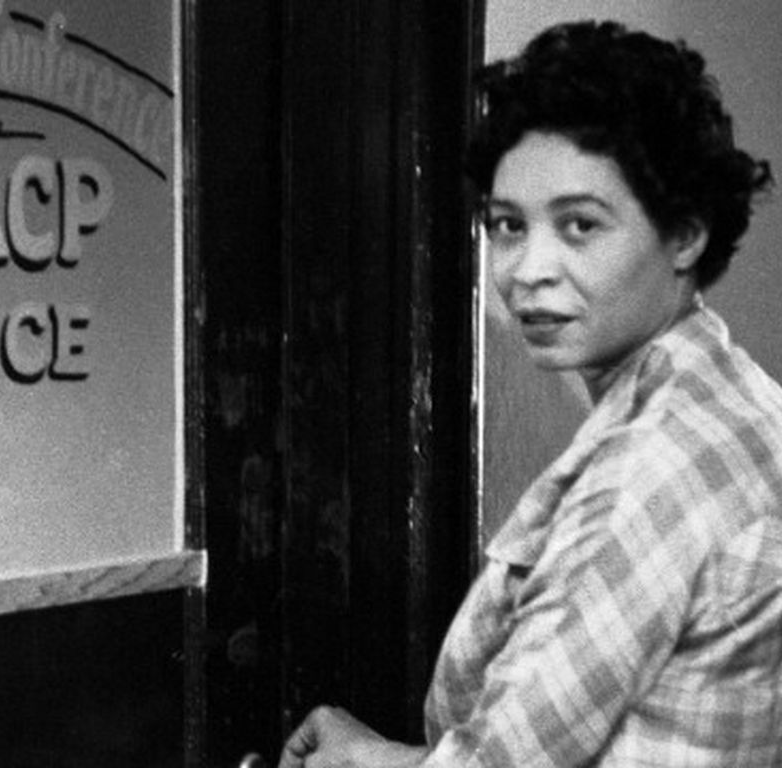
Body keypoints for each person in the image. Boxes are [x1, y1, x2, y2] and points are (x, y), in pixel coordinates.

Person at [279, 19, 782, 767]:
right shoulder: (730, 396)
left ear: (685, 234)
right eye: (507, 225)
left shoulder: (653, 469)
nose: (527, 269)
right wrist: (378, 756)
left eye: (580, 225)